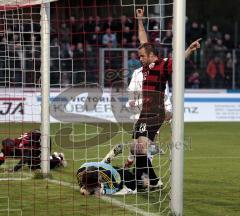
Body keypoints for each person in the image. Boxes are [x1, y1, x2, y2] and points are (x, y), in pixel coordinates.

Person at [124, 8, 201, 187]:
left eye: (142, 56)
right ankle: (153, 180)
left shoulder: (162, 65)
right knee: (135, 148)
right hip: (145, 112)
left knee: (141, 147)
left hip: (155, 112)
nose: (140, 59)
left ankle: (137, 184)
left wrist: (189, 49)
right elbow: (144, 41)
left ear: (152, 56)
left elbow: (179, 60)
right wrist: (140, 21)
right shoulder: (146, 66)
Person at [76, 144, 154, 196]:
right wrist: (83, 189)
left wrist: (103, 191)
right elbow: (83, 186)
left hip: (117, 175)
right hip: (102, 166)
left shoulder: (107, 174)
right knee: (103, 167)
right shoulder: (80, 174)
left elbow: (115, 188)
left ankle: (147, 179)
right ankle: (108, 158)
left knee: (136, 184)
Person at [0, 129, 67, 171]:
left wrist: (14, 169)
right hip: (35, 141)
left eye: (11, 149)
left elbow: (25, 159)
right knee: (33, 163)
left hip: (43, 140)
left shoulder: (23, 144)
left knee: (36, 166)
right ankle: (52, 156)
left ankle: (59, 158)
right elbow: (2, 154)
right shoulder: (11, 145)